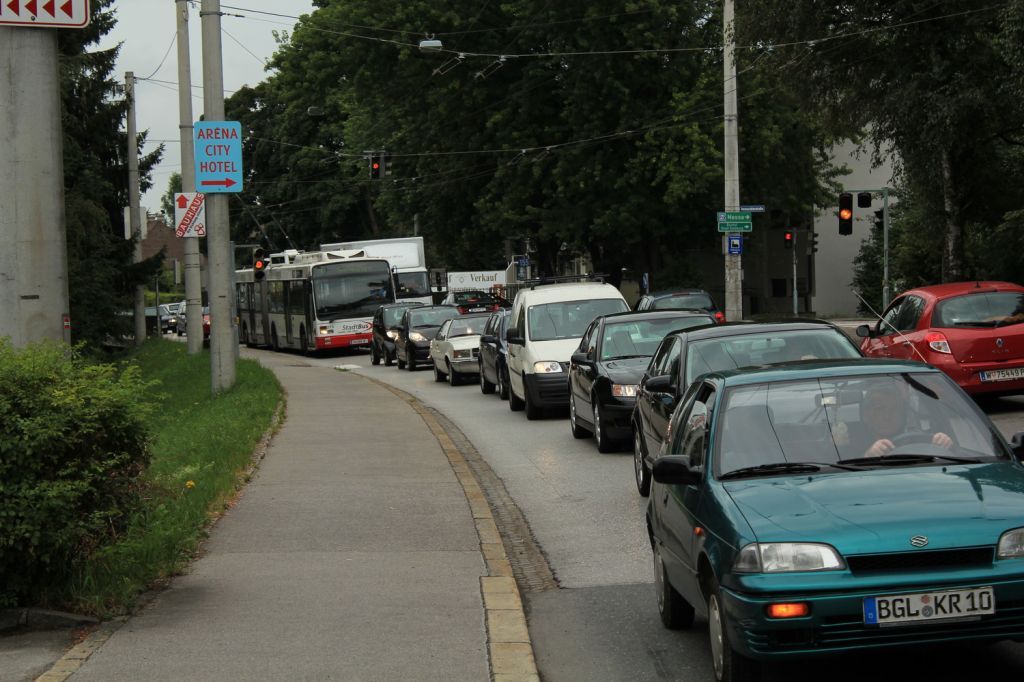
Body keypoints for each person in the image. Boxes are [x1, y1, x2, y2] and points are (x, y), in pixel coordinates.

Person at [840, 381, 953, 458]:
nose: (887, 416)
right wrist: (867, 456)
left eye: (894, 409)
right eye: (880, 409)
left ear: (902, 413)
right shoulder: (850, 444)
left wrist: (944, 442)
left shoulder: (918, 439)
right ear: (866, 414)